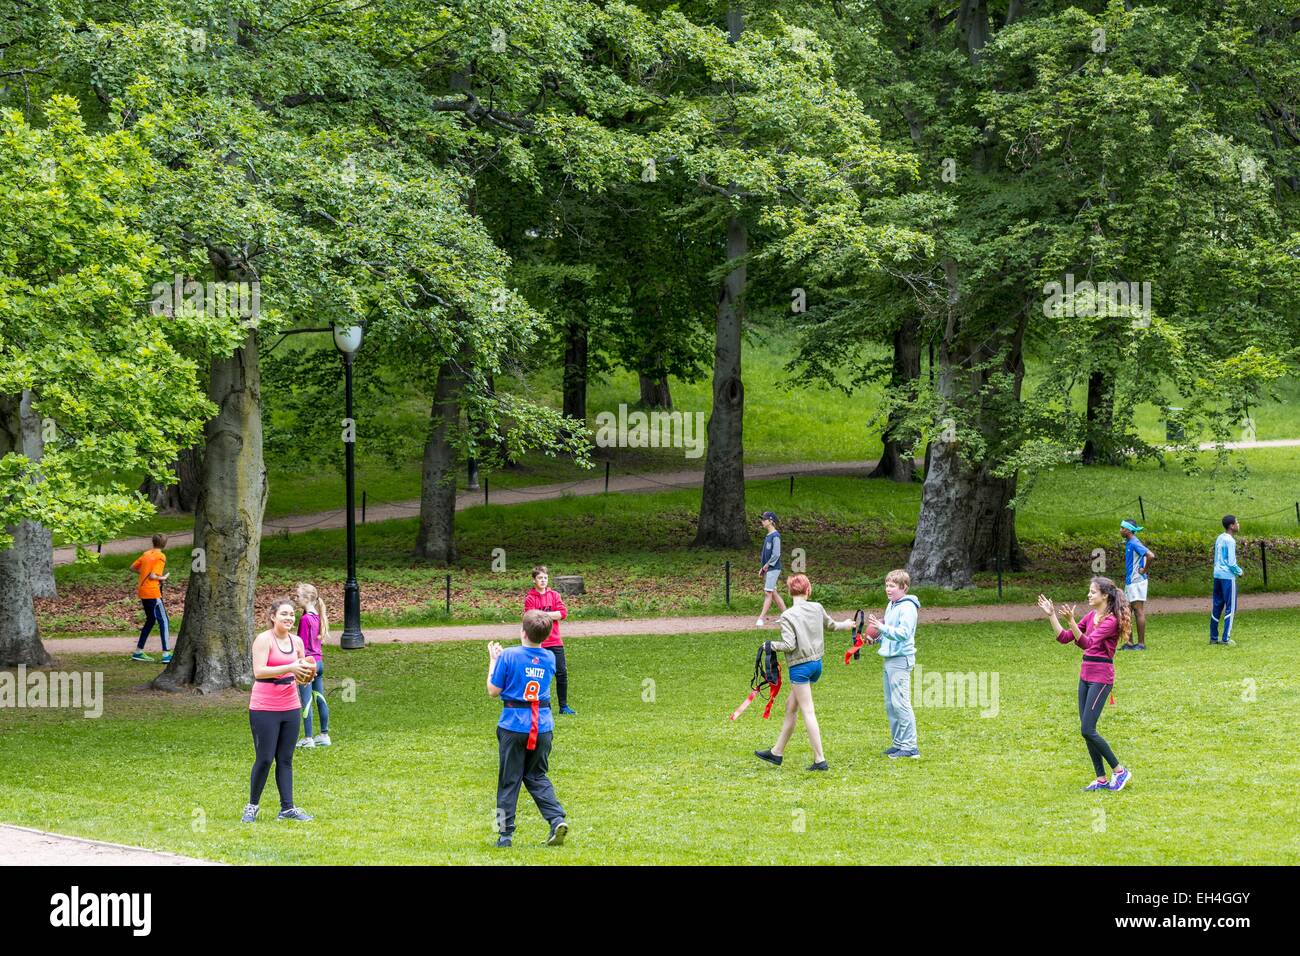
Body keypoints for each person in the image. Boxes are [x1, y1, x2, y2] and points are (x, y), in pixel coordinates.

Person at [1037, 578, 1132, 792]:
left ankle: (1119, 771)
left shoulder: (1111, 621)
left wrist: (1071, 620)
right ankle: (1101, 779)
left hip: (1101, 678)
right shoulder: (1091, 616)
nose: (1088, 595)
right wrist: (1052, 615)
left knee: (1088, 729)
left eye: (1092, 592)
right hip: (1085, 675)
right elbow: (1064, 638)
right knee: (1086, 730)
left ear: (1105, 596)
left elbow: (1087, 643)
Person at [754, 574, 855, 771]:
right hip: (816, 665)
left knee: (808, 711)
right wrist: (847, 624)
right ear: (808, 590)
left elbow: (789, 645)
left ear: (790, 592)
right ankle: (777, 752)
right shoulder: (817, 608)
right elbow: (833, 625)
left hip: (800, 668)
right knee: (791, 707)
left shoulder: (787, 616)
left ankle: (820, 760)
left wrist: (769, 645)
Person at [488, 610, 569, 849]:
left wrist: (494, 660)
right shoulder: (550, 658)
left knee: (509, 780)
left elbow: (493, 691)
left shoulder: (509, 655)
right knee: (536, 775)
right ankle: (556, 819)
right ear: (546, 634)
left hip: (513, 724)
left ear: (522, 631)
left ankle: (505, 836)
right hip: (542, 726)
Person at [242, 598, 317, 823]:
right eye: (284, 614)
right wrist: (290, 667)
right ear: (273, 616)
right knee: (264, 758)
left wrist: (306, 674)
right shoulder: (264, 639)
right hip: (264, 706)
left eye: (292, 615)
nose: (289, 618)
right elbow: (259, 671)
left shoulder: (297, 642)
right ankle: (252, 806)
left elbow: (302, 670)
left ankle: (287, 808)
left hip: (290, 705)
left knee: (285, 758)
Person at [867, 570, 922, 759]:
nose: (888, 589)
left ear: (903, 587)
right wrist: (877, 638)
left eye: (892, 586)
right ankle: (898, 743)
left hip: (901, 660)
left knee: (901, 703)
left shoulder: (907, 607)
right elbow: (890, 633)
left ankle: (910, 746)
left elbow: (903, 633)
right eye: (887, 585)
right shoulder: (892, 604)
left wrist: (880, 626)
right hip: (889, 658)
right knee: (891, 704)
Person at [524, 566, 574, 714]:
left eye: (545, 578)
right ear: (534, 580)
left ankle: (563, 706)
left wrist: (542, 614)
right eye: (540, 578)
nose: (543, 580)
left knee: (561, 673)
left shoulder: (554, 595)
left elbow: (563, 613)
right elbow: (530, 617)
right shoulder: (530, 598)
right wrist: (551, 614)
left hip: (555, 641)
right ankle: (543, 705)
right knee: (540, 674)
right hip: (538, 642)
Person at [294, 582, 331, 748]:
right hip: (319, 662)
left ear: (307, 598)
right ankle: (324, 734)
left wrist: (297, 663)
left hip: (308, 663)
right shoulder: (318, 617)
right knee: (320, 698)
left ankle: (308, 738)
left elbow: (300, 645)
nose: (296, 599)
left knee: (306, 700)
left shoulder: (305, 619)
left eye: (298, 596)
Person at [129, 534, 171, 663]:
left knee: (151, 620)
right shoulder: (161, 556)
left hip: (143, 591)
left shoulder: (146, 554)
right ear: (164, 544)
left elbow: (132, 568)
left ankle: (138, 652)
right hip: (153, 592)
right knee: (164, 621)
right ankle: (166, 654)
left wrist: (144, 574)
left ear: (153, 542)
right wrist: (163, 578)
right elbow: (153, 576)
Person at [1119, 519, 1153, 651]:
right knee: (1126, 611)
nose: (1120, 530)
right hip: (1131, 582)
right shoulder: (1129, 542)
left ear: (1128, 530)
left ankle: (1141, 644)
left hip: (1137, 582)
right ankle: (1129, 643)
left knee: (1138, 611)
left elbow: (1151, 555)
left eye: (1122, 528)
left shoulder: (1134, 542)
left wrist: (1144, 570)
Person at [1211, 515, 1243, 646]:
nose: (1238, 524)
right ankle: (1225, 638)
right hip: (1227, 577)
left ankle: (1213, 637)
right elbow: (1231, 562)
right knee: (1231, 607)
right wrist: (1239, 571)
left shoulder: (1220, 537)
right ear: (1232, 526)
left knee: (1217, 605)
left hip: (1217, 575)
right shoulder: (1230, 541)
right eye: (1237, 522)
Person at [755, 511, 787, 627]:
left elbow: (776, 555)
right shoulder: (769, 536)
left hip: (773, 569)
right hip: (769, 568)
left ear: (771, 521)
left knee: (768, 592)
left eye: (764, 519)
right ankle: (787, 616)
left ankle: (761, 618)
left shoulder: (775, 536)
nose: (762, 521)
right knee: (773, 593)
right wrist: (763, 568)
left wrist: (766, 566)